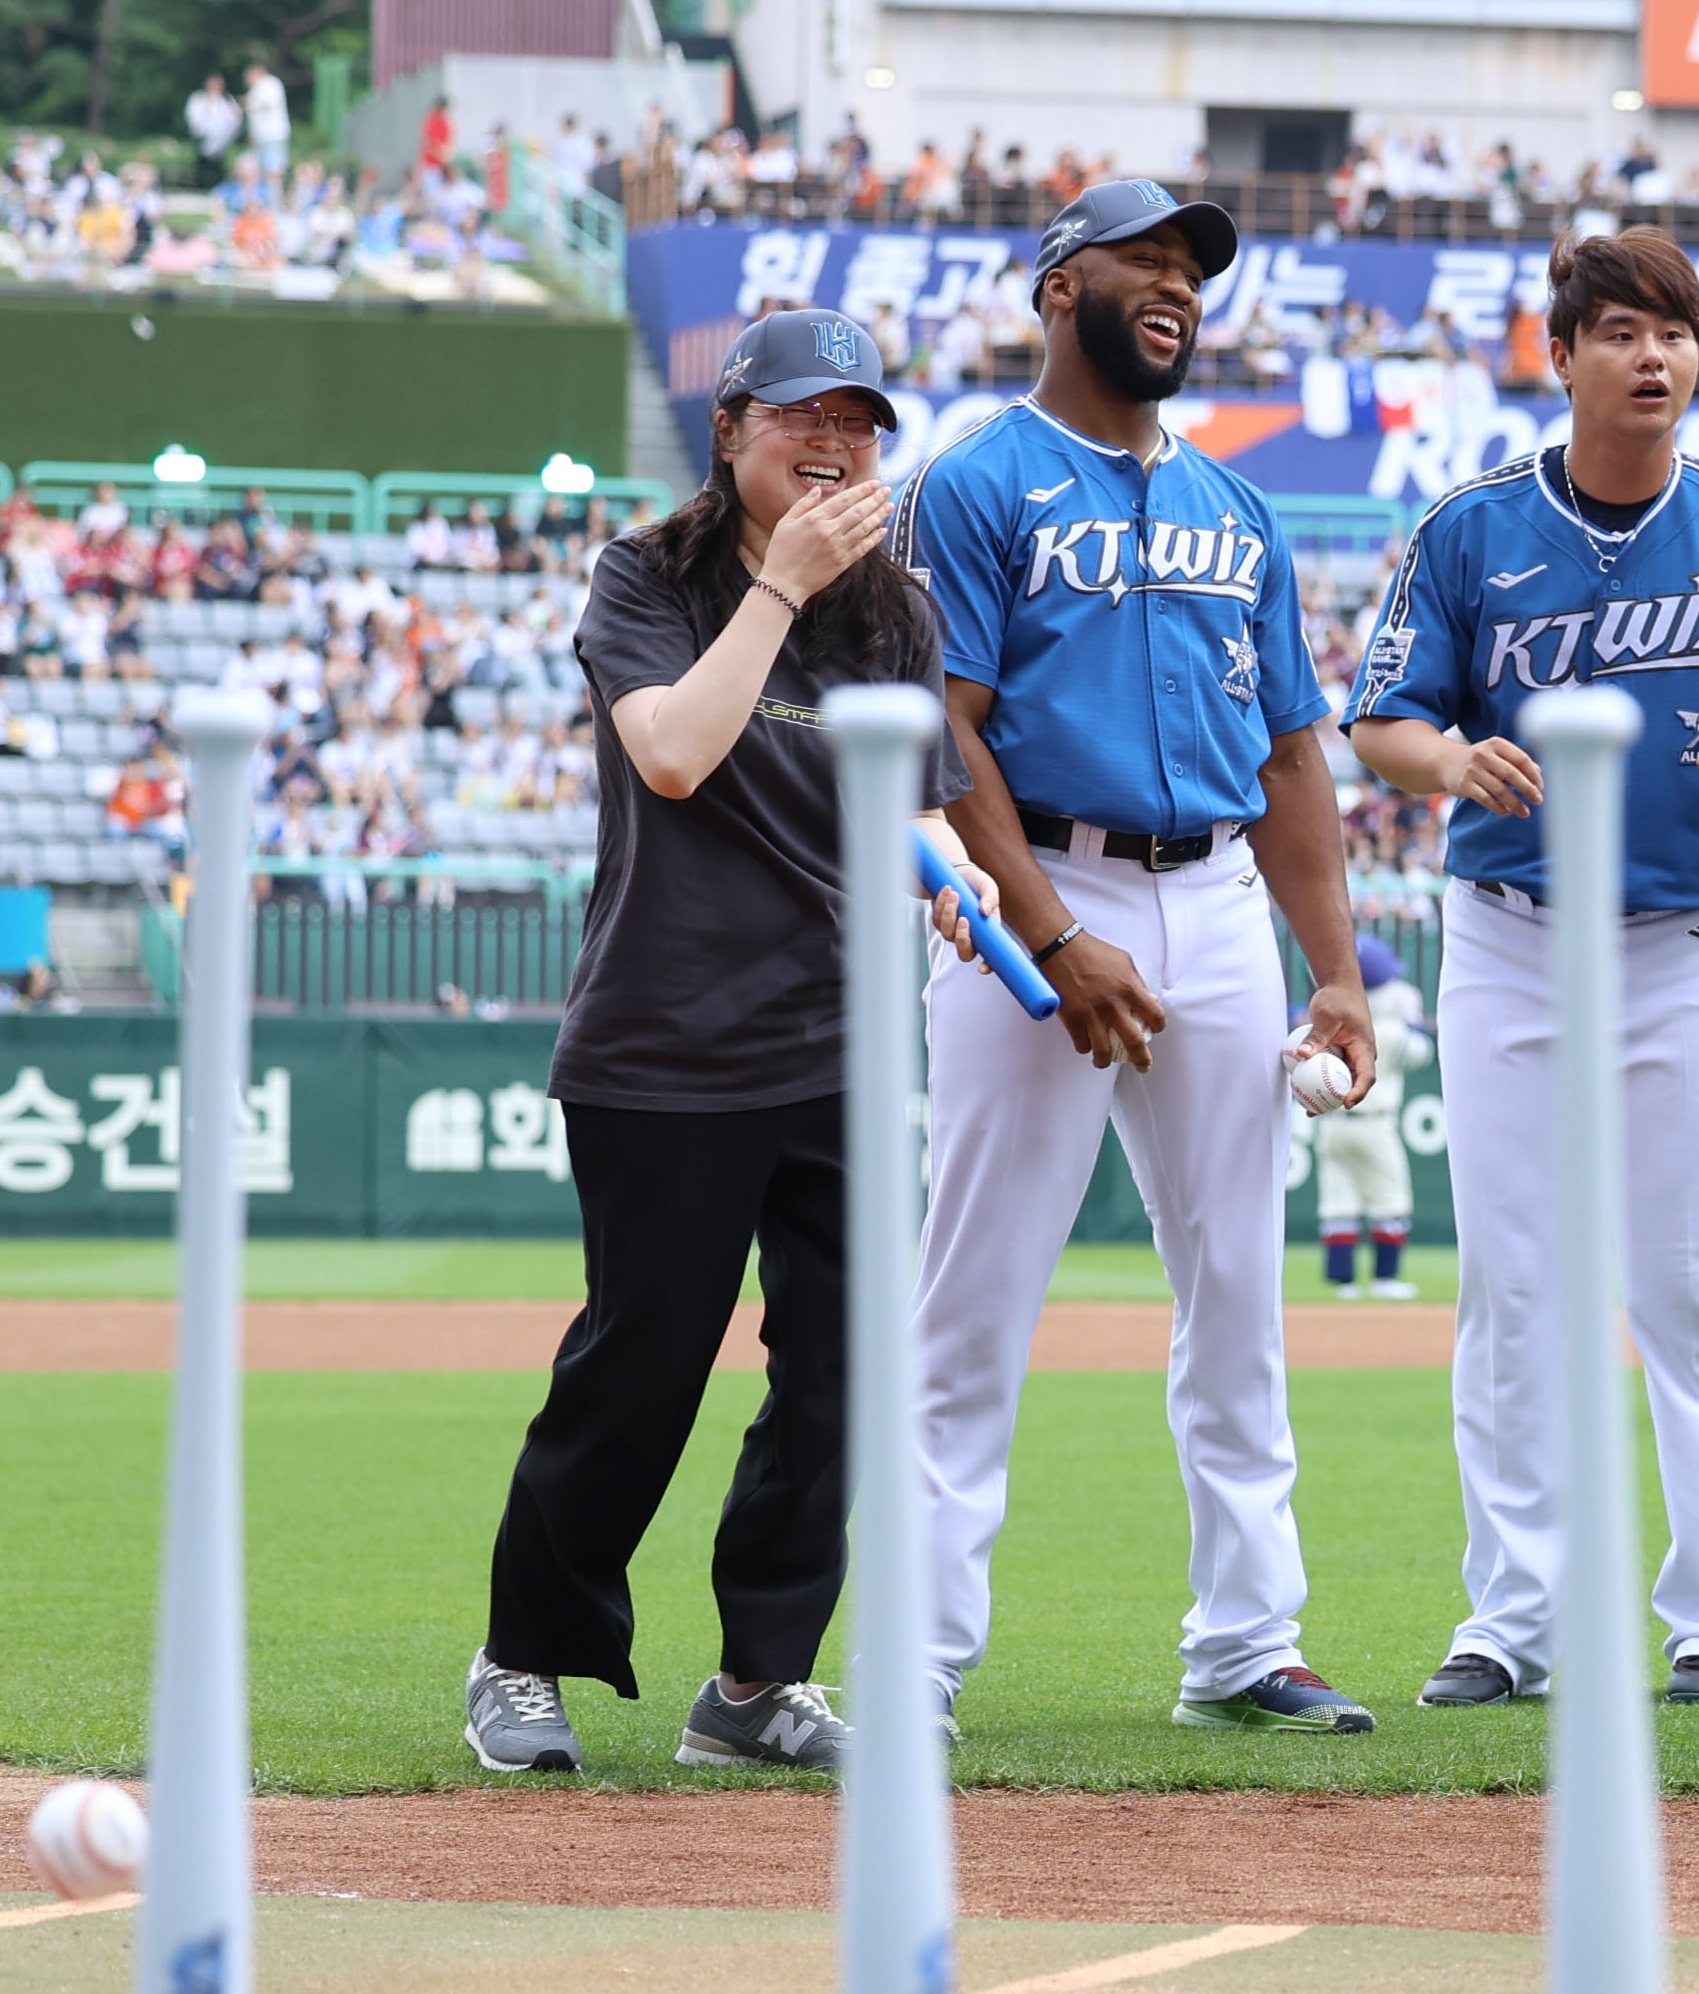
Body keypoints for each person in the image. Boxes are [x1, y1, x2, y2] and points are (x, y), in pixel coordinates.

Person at [1343, 227, 1699, 1708]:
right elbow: (1379, 717)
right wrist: (1451, 754)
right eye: (1623, 330)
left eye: (1676, 332)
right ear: (1558, 351)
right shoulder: (1470, 527)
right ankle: (1512, 1620)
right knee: (1512, 1286)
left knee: (1688, 1278)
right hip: (1510, 943)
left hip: (1687, 949)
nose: (1654, 356)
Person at [899, 177, 1383, 1736]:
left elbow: (1296, 754)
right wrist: (1049, 931)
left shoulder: (1238, 509)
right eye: (1146, 260)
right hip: (1027, 879)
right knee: (974, 1296)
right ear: (1059, 288)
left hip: (1219, 894)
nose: (1177, 284)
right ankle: (917, 1657)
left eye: (1194, 267)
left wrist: (1340, 971)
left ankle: (1248, 1641)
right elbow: (942, 725)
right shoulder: (978, 485)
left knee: (1237, 1286)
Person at [461, 310, 972, 1776]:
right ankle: (522, 1658)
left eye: (861, 422)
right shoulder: (649, 574)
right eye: (804, 414)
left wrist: (960, 870)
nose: (836, 444)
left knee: (840, 1371)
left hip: (844, 1047)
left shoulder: (895, 610)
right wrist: (779, 592)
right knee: (641, 1365)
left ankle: (757, 1683)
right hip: (665, 1039)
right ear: (731, 426)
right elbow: (674, 753)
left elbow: (914, 803)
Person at [1316, 951, 1432, 1299]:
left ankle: (1344, 1283)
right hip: (1374, 1124)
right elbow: (1421, 1052)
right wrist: (1412, 1020)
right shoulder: (1392, 1030)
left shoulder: (1330, 1026)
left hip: (1333, 1124)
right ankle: (1385, 1279)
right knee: (1389, 1199)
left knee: (1339, 1200)